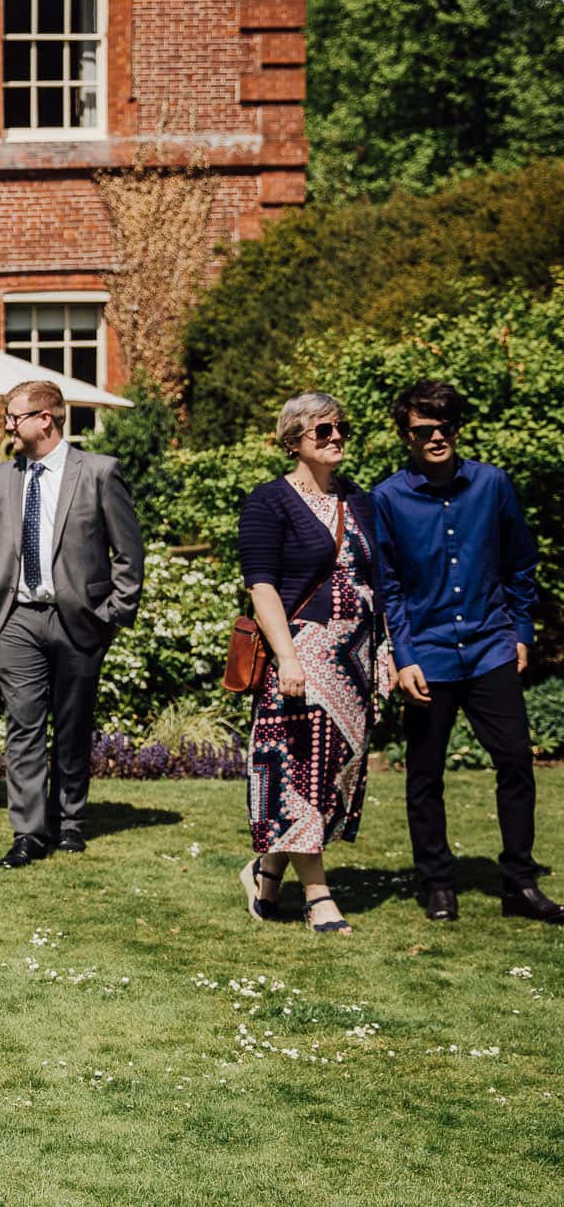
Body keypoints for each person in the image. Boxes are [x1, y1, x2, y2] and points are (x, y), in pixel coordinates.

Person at [371, 380, 560, 925]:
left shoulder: (492, 484)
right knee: (425, 774)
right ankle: (437, 884)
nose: (436, 438)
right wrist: (403, 655)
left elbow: (521, 562)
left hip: (490, 647)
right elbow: (389, 586)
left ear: (457, 428)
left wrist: (521, 630)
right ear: (406, 435)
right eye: (423, 430)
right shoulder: (388, 498)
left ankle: (519, 885)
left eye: (445, 427)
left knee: (516, 763)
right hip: (427, 653)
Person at [0, 380, 143, 869]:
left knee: (73, 724)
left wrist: (111, 617)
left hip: (80, 621)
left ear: (45, 418)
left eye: (14, 416)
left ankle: (71, 821)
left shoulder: (99, 473)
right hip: (16, 621)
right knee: (23, 726)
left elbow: (129, 555)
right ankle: (28, 831)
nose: (7, 425)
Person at [236, 393, 387, 935]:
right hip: (303, 653)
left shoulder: (361, 501)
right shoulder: (269, 502)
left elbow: (377, 581)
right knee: (303, 772)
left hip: (355, 660)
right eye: (322, 431)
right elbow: (263, 585)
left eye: (340, 428)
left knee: (336, 773)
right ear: (293, 439)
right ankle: (320, 897)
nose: (335, 437)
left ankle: (268, 871)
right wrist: (288, 657)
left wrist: (384, 653)